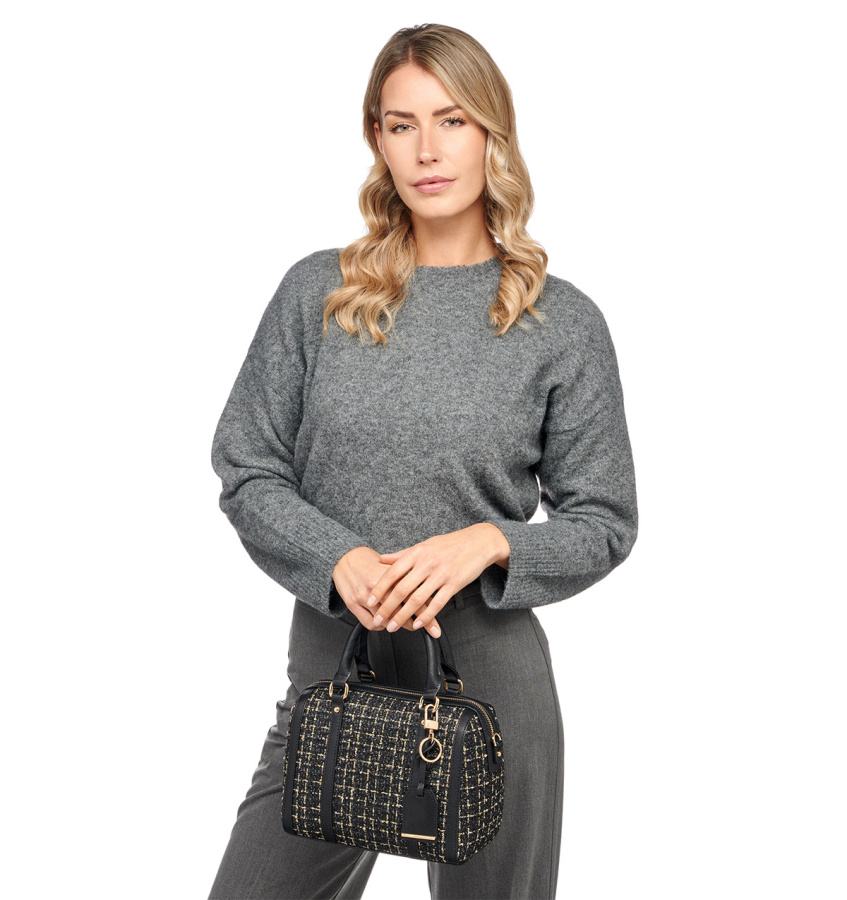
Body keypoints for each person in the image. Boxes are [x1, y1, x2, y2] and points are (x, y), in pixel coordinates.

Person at [207, 22, 637, 900]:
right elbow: (247, 465)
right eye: (401, 125)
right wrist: (337, 558)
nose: (427, 150)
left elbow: (604, 519)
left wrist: (485, 542)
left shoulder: (560, 321)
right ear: (377, 139)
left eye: (451, 121)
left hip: (491, 688)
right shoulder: (317, 293)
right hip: (333, 672)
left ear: (491, 133)